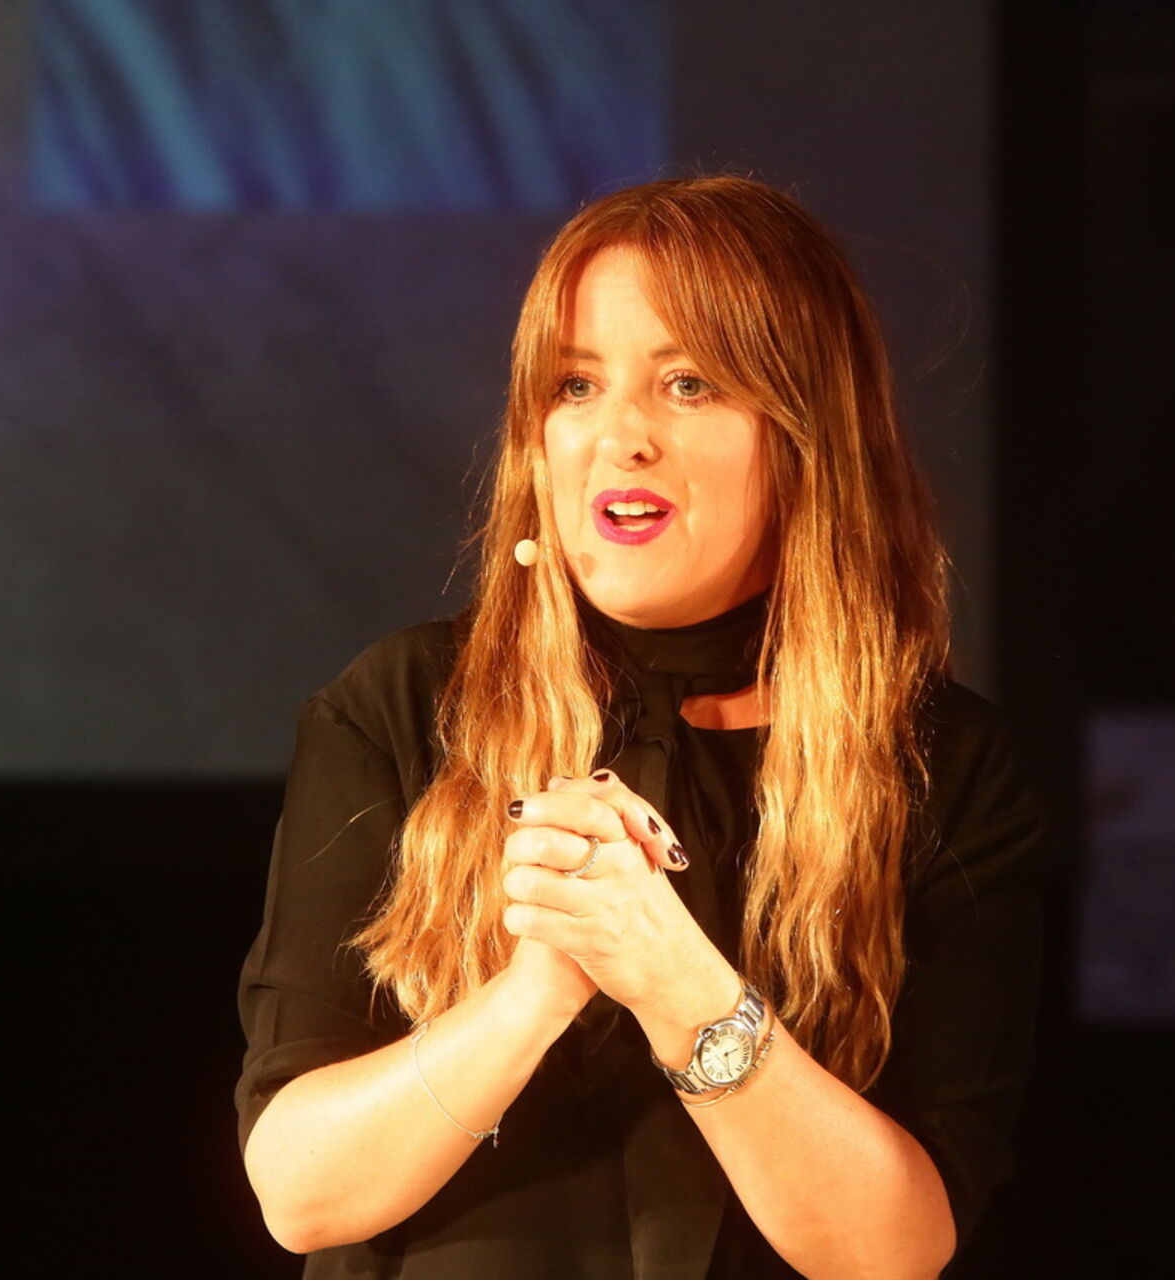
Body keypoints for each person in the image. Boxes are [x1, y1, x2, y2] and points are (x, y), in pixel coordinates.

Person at [234, 174, 1056, 1278]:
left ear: (806, 431)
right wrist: (539, 986)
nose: (621, 435)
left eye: (689, 383)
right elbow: (301, 1192)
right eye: (576, 385)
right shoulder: (404, 707)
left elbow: (895, 1251)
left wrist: (673, 978)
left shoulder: (941, 762)